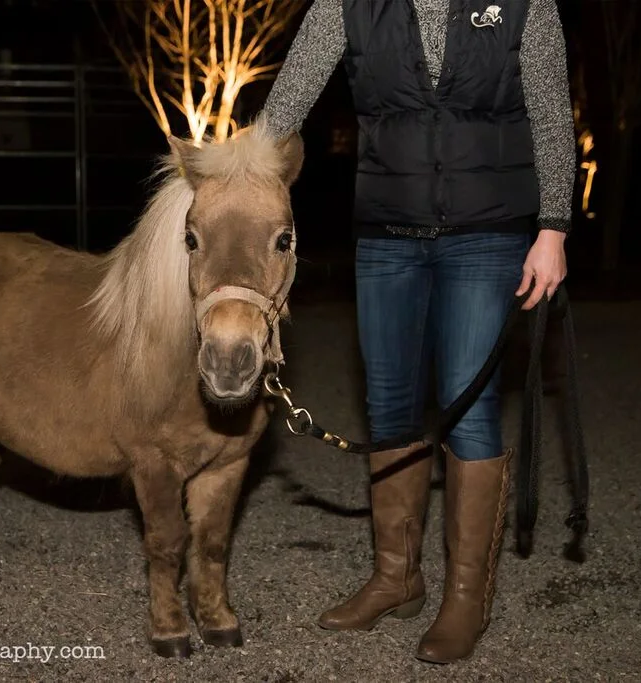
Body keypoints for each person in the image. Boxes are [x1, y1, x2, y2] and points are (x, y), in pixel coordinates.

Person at [257, 0, 577, 664]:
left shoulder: (525, 6)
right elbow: (279, 116)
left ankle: (467, 594)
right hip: (386, 234)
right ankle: (397, 576)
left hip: (488, 235)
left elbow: (550, 116)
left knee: (469, 403)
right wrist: (222, 181)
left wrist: (553, 228)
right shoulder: (344, 6)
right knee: (391, 405)